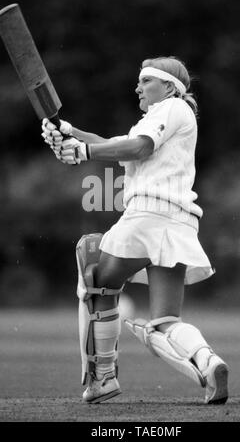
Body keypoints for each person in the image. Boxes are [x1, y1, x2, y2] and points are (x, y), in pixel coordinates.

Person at [42, 56, 229, 405]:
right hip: (177, 224)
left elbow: (139, 146)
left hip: (146, 216)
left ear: (170, 86)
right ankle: (209, 363)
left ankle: (103, 378)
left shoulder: (172, 109)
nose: (138, 87)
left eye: (146, 81)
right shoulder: (163, 118)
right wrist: (69, 133)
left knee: (95, 274)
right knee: (165, 322)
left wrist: (83, 151)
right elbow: (120, 147)